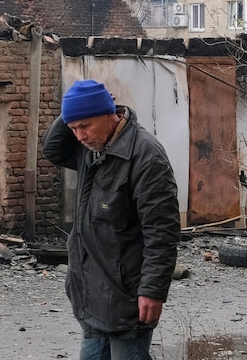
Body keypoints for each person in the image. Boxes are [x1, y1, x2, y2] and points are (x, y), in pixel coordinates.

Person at [42, 79, 180, 360]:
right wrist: (74, 110)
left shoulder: (145, 155)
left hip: (126, 293)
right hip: (91, 291)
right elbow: (53, 149)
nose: (79, 136)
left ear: (111, 114)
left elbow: (162, 232)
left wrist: (152, 290)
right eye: (73, 128)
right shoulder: (89, 149)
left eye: (85, 126)